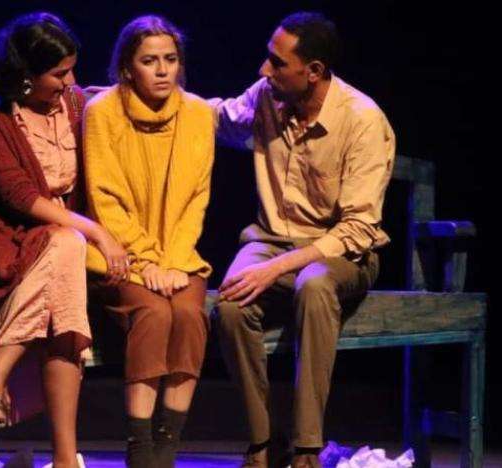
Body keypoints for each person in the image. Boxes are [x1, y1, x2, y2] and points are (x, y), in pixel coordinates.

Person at [0, 12, 127, 468]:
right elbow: (19, 196)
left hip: (58, 243)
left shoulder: (74, 104)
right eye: (60, 73)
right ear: (25, 75)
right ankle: (63, 455)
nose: (71, 82)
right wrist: (96, 231)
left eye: (73, 70)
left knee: (66, 307)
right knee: (68, 247)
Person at [211, 11, 396, 468]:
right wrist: (137, 97)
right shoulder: (267, 96)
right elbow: (218, 117)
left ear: (313, 71)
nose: (264, 70)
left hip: (341, 251)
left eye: (278, 63)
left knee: (312, 285)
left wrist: (276, 268)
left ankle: (307, 447)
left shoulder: (362, 120)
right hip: (272, 239)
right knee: (230, 303)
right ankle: (262, 442)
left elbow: (357, 229)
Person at [83, 15, 215, 468]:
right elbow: (104, 198)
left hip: (178, 257)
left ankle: (168, 445)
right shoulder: (103, 112)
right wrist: (147, 261)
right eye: (149, 61)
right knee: (155, 313)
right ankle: (140, 446)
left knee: (190, 315)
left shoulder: (198, 114)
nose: (162, 70)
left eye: (170, 59)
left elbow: (197, 197)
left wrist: (173, 261)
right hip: (119, 254)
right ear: (127, 67)